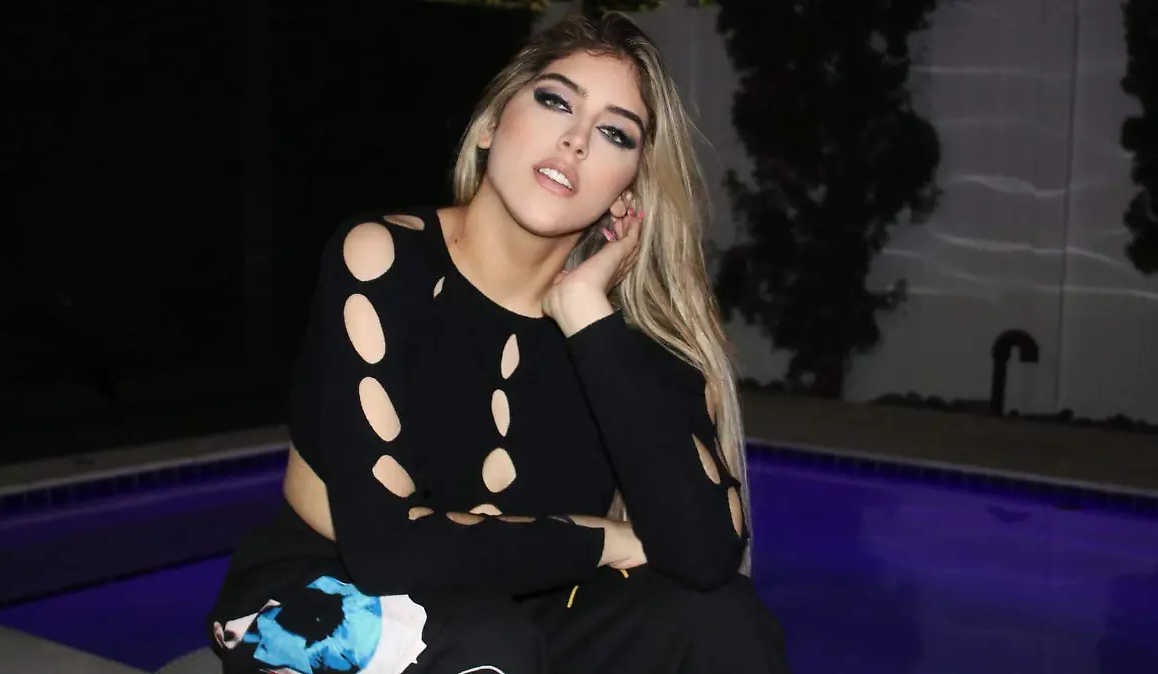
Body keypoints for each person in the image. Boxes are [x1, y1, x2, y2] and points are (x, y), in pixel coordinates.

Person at [208, 11, 791, 674]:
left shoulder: (627, 341)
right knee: (489, 641)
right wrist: (603, 539)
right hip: (328, 593)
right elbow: (383, 547)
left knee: (723, 622)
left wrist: (584, 312)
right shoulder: (385, 261)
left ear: (626, 192)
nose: (575, 141)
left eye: (614, 133)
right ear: (490, 124)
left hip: (522, 612)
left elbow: (706, 558)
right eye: (555, 101)